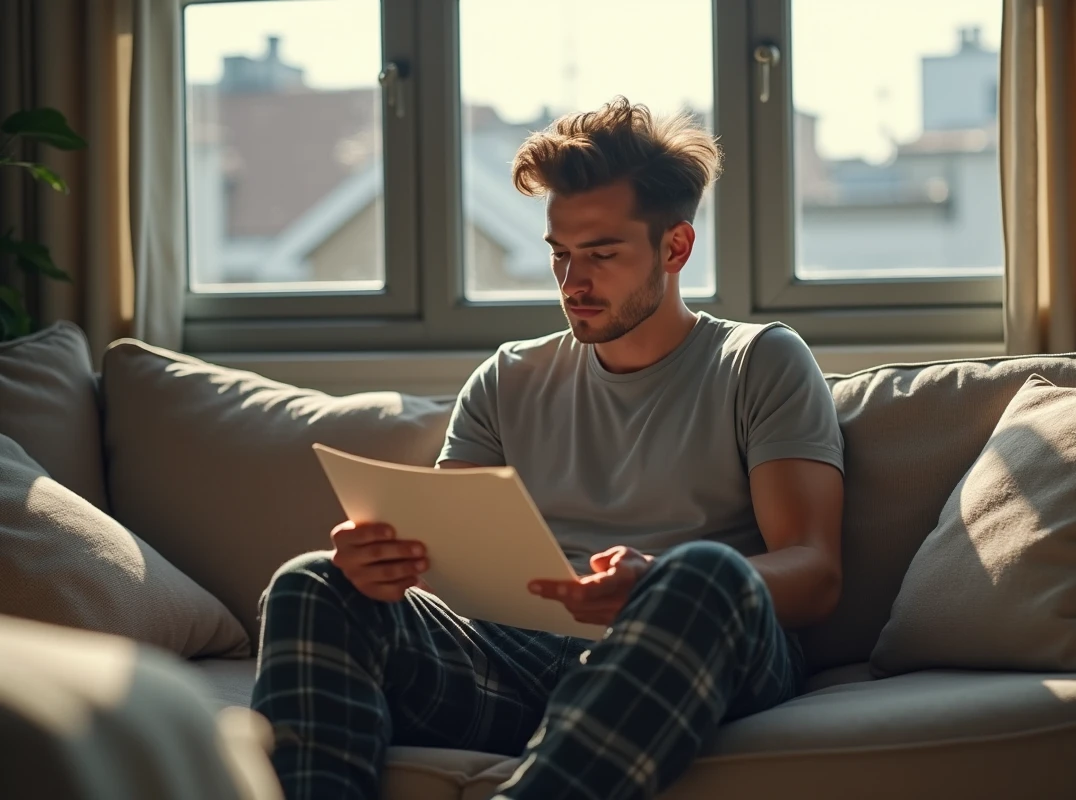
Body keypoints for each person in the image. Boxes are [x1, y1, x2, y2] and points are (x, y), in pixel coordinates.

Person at [251, 95, 845, 800]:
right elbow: (447, 564)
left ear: (675, 247)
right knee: (312, 580)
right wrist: (383, 565)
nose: (573, 284)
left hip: (694, 649)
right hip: (518, 658)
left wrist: (656, 580)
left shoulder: (759, 361)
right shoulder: (508, 377)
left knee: (705, 573)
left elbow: (816, 575)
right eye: (560, 255)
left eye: (601, 254)